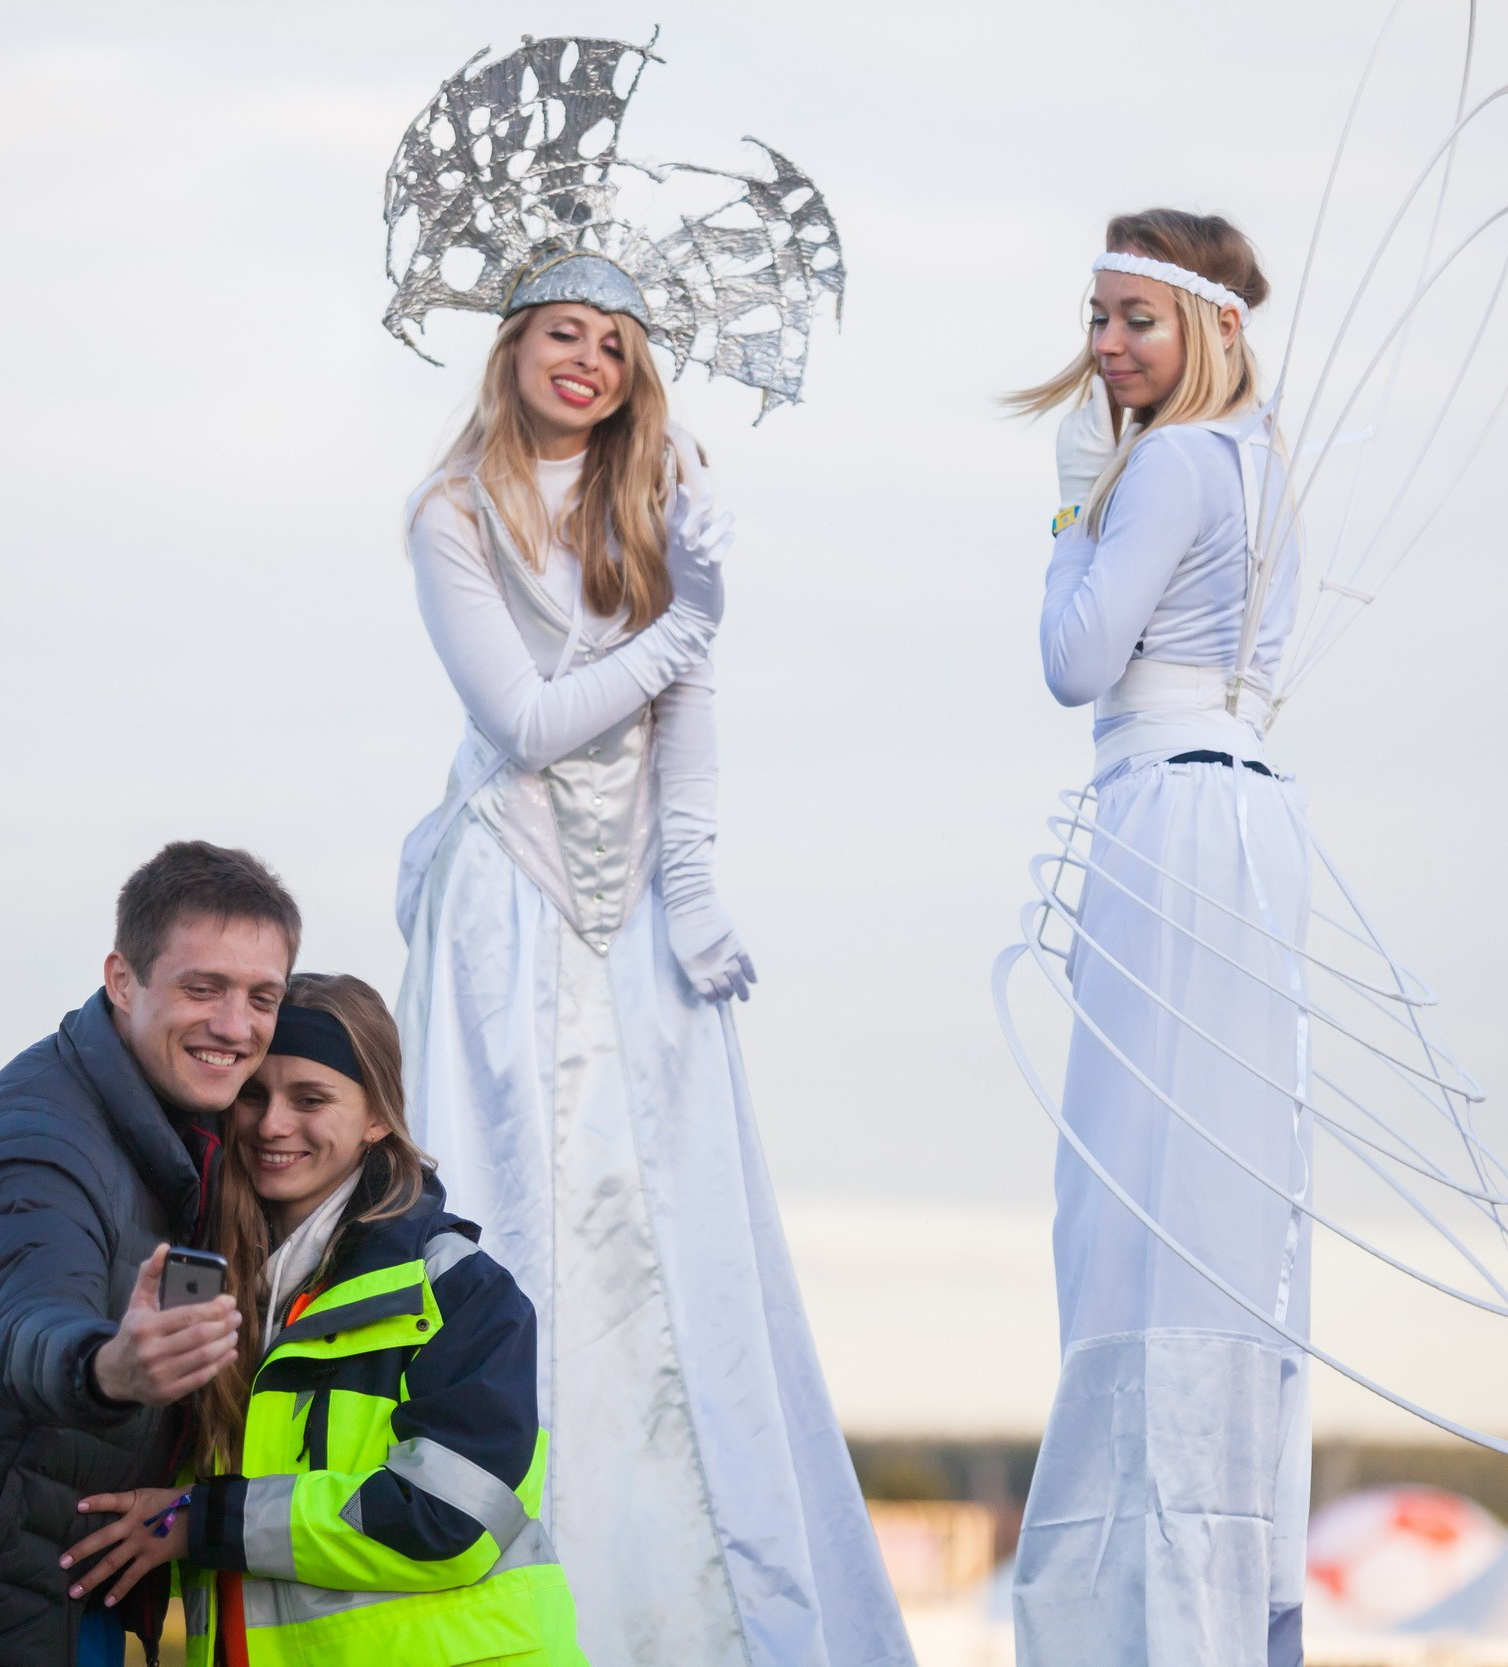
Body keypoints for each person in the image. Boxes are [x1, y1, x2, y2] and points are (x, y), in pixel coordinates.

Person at [391, 282, 906, 1665]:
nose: (591, 362)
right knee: (524, 1221)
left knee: (679, 1245)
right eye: (568, 332)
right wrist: (694, 619)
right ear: (514, 345)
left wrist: (693, 885)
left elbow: (694, 707)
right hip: (511, 898)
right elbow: (528, 719)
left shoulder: (661, 491)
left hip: (637, 924)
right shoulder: (450, 512)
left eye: (617, 346)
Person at [1004, 210, 1314, 1667]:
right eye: (1099, 316)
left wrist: (1076, 512)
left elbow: (1076, 662)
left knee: (1137, 1199)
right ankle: (1221, 1592)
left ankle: (1132, 1615)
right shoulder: (1264, 469)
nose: (1109, 345)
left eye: (1137, 317)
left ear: (1210, 327)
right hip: (1248, 824)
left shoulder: (1176, 461)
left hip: (1166, 823)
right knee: (1215, 1207)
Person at [0, 840, 296, 1667]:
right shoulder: (38, 1132)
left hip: (62, 1593)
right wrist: (109, 1367)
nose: (235, 1025)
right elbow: (25, 1321)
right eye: (203, 987)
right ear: (121, 979)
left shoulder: (194, 1124)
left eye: (262, 996)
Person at [58, 972, 586, 1665]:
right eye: (253, 1095)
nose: (272, 1123)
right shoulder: (216, 1290)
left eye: (310, 1098)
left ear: (376, 1117)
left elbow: (450, 1518)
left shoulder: (460, 1292)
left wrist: (195, 1521)